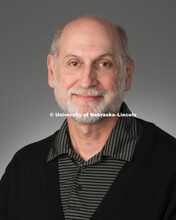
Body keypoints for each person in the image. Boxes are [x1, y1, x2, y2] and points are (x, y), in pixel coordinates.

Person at [0, 15, 176, 220]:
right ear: (51, 71)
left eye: (103, 64)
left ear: (127, 73)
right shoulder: (23, 167)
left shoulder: (170, 166)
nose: (87, 80)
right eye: (74, 63)